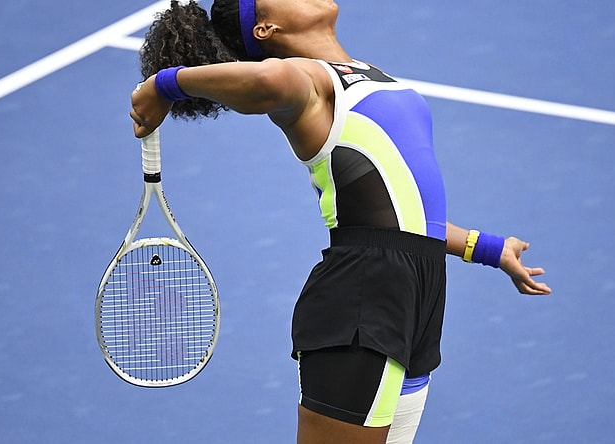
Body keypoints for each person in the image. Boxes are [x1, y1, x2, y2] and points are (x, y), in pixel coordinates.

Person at [129, 1, 552, 442]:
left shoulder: (360, 73)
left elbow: (400, 214)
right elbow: (268, 81)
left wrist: (484, 247)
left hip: (414, 282)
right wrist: (164, 85)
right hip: (365, 293)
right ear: (265, 29)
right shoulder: (305, 79)